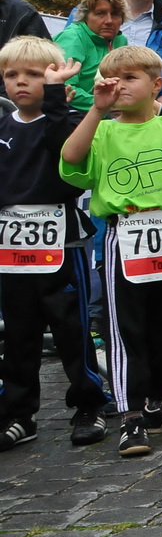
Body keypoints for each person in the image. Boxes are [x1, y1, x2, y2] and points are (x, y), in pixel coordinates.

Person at [59, 45, 162, 456]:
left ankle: (160, 403)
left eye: (131, 78)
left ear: (155, 84)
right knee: (125, 326)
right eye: (112, 79)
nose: (120, 86)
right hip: (122, 235)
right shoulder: (105, 130)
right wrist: (95, 110)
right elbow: (71, 161)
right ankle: (130, 415)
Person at [0, 37, 106, 450]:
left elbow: (66, 156)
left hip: (61, 243)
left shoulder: (62, 120)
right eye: (12, 75)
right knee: (20, 333)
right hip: (13, 249)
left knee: (72, 329)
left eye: (35, 75)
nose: (22, 83)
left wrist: (56, 99)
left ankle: (88, 404)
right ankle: (19, 413)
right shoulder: (4, 127)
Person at [53, 0, 127, 110]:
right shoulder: (73, 38)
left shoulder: (120, 41)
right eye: (100, 13)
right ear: (86, 15)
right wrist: (108, 105)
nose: (109, 21)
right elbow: (65, 89)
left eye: (115, 14)